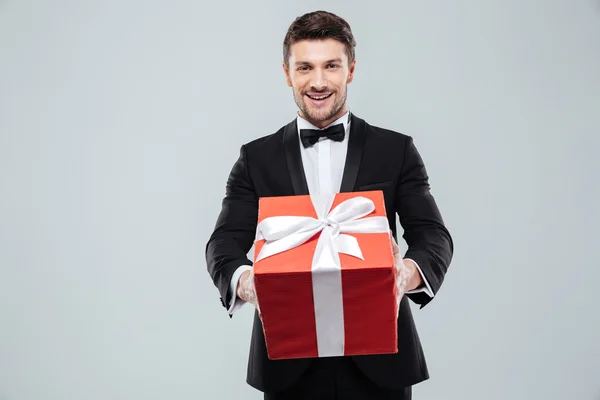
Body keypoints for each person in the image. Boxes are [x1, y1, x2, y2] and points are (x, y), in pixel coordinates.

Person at [205, 10, 453, 400]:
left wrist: (406, 274)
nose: (318, 82)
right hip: (287, 364)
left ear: (350, 70)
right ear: (287, 73)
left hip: (382, 362)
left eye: (331, 66)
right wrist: (248, 284)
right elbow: (222, 245)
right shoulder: (256, 158)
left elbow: (433, 236)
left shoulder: (396, 150)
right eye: (305, 67)